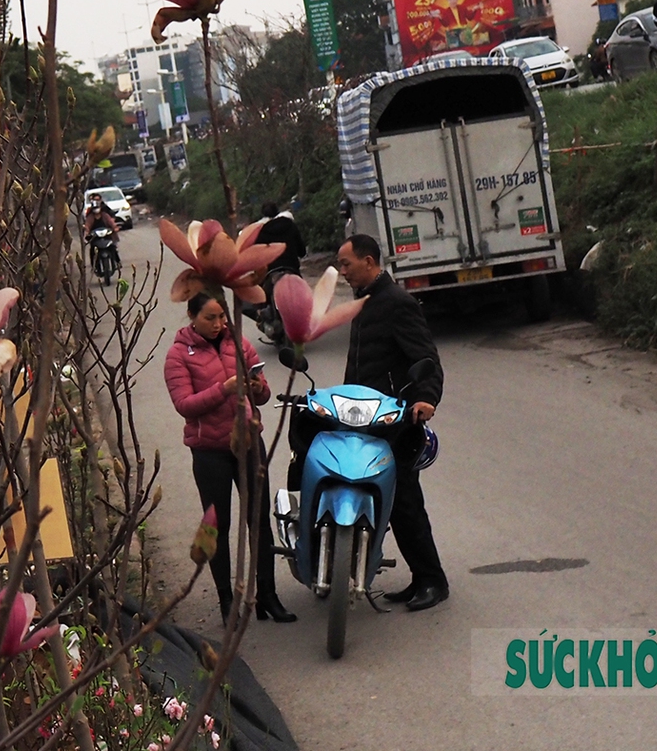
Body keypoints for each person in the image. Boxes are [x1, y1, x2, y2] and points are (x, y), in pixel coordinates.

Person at [286, 234, 450, 611]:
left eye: (346, 263)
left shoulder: (397, 303)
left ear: (370, 261)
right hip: (361, 416)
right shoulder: (367, 302)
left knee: (404, 499)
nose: (341, 271)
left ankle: (431, 580)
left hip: (393, 419)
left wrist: (426, 398)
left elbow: (426, 356)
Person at [163, 292, 297, 625]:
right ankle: (227, 600)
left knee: (259, 521)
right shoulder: (179, 355)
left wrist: (256, 387)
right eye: (211, 318)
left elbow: (263, 394)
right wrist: (224, 389)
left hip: (249, 443)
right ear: (192, 316)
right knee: (217, 526)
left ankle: (267, 594)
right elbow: (185, 405)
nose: (219, 324)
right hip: (209, 451)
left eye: (222, 317)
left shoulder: (238, 343)